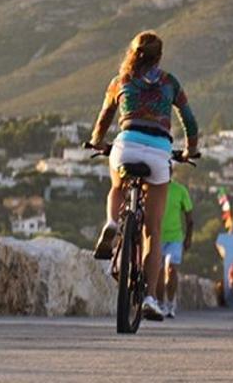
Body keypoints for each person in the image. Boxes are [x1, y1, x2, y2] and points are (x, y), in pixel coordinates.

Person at [90, 30, 200, 322]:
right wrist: (190, 150)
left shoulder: (120, 81)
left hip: (126, 147)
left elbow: (103, 119)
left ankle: (113, 222)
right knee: (153, 231)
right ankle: (150, 297)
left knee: (117, 184)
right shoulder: (169, 82)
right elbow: (189, 121)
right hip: (159, 152)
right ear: (159, 57)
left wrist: (97, 142)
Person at [157, 178, 194, 318]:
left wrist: (188, 237)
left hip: (175, 238)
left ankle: (170, 303)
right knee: (159, 272)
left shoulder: (180, 190)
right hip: (156, 236)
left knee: (171, 269)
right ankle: (160, 303)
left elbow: (189, 218)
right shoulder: (154, 187)